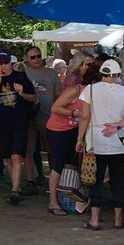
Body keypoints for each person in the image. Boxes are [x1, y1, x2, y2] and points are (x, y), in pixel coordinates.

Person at [77, 59, 124, 231]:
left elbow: (84, 117)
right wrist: (119, 124)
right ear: (118, 74)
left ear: (102, 73)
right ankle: (118, 219)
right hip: (117, 140)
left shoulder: (89, 90)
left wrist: (79, 139)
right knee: (118, 181)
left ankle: (95, 219)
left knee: (95, 181)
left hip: (95, 141)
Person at [0, 50, 36, 205]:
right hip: (2, 124)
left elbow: (33, 98)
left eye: (6, 63)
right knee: (8, 158)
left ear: (11, 63)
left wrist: (22, 93)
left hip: (19, 122)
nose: (3, 66)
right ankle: (17, 186)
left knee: (16, 156)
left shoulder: (20, 77)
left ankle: (14, 190)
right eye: (0, 63)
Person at [45, 61, 96, 215]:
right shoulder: (76, 90)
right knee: (59, 164)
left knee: (74, 164)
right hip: (57, 130)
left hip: (74, 130)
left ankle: (72, 197)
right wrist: (74, 113)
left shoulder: (93, 93)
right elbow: (55, 107)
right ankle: (53, 202)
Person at [22, 46, 61, 190]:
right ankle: (30, 181)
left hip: (49, 118)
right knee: (28, 151)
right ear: (27, 59)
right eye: (33, 57)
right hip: (28, 119)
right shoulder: (23, 74)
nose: (37, 59)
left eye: (39, 56)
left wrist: (58, 115)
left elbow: (59, 94)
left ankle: (54, 180)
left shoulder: (51, 74)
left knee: (51, 150)